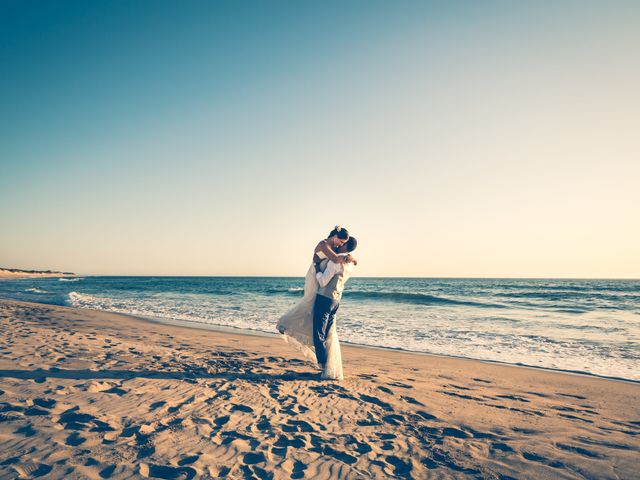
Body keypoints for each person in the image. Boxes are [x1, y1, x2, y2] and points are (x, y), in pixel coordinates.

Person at [276, 226, 354, 374]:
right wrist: (350, 258)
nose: (339, 244)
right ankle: (285, 324)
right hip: (316, 278)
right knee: (308, 304)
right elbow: (336, 260)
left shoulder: (335, 250)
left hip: (324, 287)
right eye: (340, 241)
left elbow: (336, 261)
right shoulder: (324, 245)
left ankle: (320, 357)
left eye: (342, 243)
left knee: (314, 315)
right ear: (336, 236)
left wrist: (349, 256)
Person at [313, 236, 357, 380]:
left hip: (324, 298)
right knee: (328, 334)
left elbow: (323, 281)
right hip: (336, 301)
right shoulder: (349, 263)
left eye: (342, 244)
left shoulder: (336, 260)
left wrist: (317, 269)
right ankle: (329, 367)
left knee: (318, 334)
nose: (339, 245)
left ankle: (325, 366)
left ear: (345, 247)